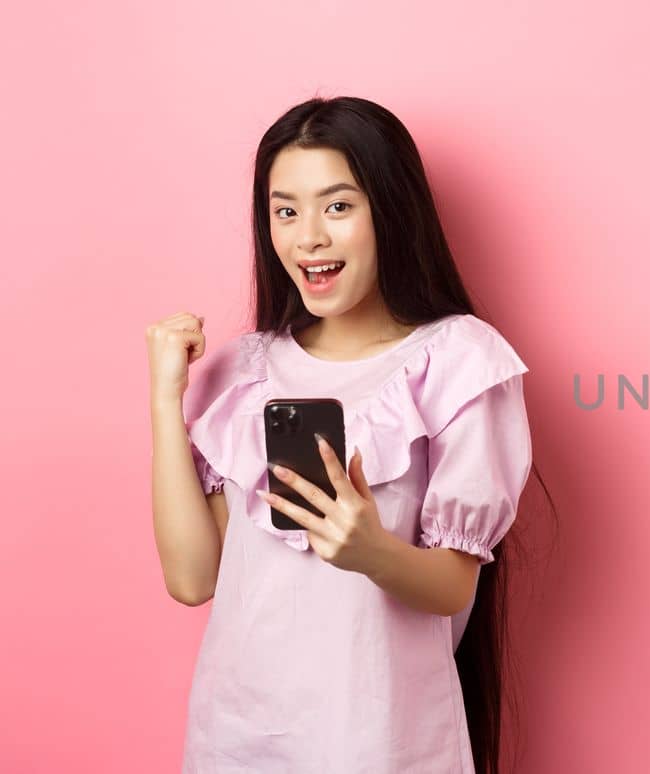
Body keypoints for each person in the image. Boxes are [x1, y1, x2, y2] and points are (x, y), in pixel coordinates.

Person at [146, 96, 548, 774]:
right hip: (238, 739)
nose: (308, 237)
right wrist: (164, 402)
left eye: (337, 206)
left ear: (389, 212)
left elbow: (453, 586)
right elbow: (192, 579)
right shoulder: (244, 372)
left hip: (381, 741)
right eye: (285, 210)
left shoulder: (457, 361)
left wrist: (370, 550)